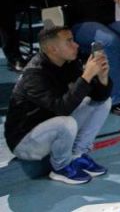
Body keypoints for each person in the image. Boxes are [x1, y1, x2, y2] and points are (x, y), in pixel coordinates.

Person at [5, 26, 111, 184]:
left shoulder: (67, 63)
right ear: (52, 48)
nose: (76, 45)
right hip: (25, 141)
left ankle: (77, 155)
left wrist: (102, 78)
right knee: (66, 122)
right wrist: (87, 75)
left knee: (102, 103)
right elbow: (62, 108)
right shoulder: (34, 75)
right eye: (69, 42)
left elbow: (98, 96)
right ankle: (61, 168)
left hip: (50, 125)